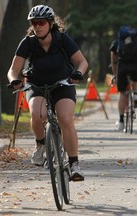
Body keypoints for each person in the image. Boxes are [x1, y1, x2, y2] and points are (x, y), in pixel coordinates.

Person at [7, 5, 88, 181]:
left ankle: (74, 164)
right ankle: (41, 144)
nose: (37, 26)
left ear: (50, 24)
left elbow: (82, 62)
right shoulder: (27, 42)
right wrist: (14, 80)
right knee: (37, 115)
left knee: (66, 119)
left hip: (62, 84)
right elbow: (13, 70)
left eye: (41, 22)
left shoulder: (62, 39)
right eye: (34, 23)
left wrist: (78, 73)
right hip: (36, 85)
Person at [109, 26, 137, 131]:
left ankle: (120, 121)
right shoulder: (136, 42)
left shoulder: (116, 43)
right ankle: (136, 95)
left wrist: (115, 74)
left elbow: (113, 61)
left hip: (122, 68)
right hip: (134, 66)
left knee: (122, 93)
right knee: (136, 80)